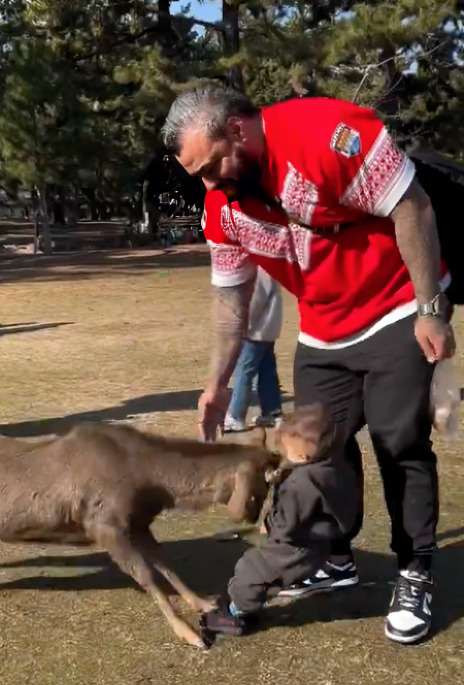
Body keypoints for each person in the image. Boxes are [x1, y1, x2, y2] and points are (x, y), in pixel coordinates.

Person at [161, 85, 454, 644]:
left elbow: (413, 208)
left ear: (239, 131)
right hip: (323, 327)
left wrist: (431, 311)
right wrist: (216, 385)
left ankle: (414, 570)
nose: (208, 183)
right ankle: (335, 556)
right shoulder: (223, 205)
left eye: (212, 165)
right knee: (317, 453)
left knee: (400, 441)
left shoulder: (326, 135)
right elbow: (230, 302)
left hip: (396, 305)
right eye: (196, 173)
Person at [201, 403, 359, 639]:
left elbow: (286, 524)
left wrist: (269, 524)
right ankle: (247, 604)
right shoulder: (333, 466)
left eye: (288, 450)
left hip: (294, 547)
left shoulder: (301, 486)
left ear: (303, 455)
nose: (284, 453)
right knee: (264, 575)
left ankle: (236, 614)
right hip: (319, 540)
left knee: (252, 571)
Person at [223, 265, 283, 432]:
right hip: (268, 328)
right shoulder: (267, 265)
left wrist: (242, 324)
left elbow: (255, 300)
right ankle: (272, 411)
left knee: (245, 370)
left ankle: (236, 415)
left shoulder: (259, 268)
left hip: (256, 330)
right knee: (266, 369)